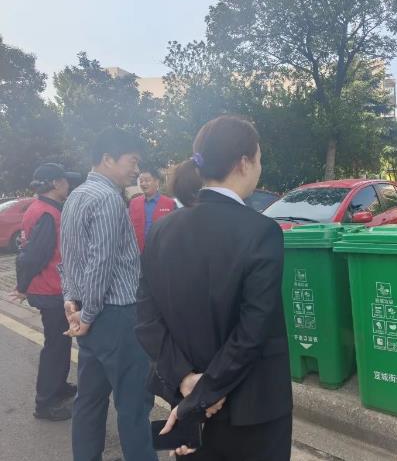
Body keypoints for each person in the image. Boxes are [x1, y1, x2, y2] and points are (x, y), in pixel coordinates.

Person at [135, 116, 293, 460]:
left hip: (187, 406)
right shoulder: (261, 231)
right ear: (244, 162)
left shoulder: (161, 231)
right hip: (252, 408)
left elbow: (146, 318)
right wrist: (207, 389)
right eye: (259, 158)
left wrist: (186, 380)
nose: (259, 167)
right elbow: (253, 329)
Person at [60, 128, 158, 461]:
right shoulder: (107, 199)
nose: (136, 170)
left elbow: (69, 256)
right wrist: (87, 315)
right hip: (116, 315)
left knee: (89, 400)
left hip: (88, 314)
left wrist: (71, 302)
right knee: (133, 405)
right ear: (107, 159)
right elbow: (100, 262)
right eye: (132, 161)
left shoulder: (75, 196)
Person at [11, 163, 81, 421]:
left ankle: (58, 387)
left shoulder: (43, 208)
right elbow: (35, 255)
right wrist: (22, 287)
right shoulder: (47, 213)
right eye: (65, 180)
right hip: (51, 290)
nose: (68, 185)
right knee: (55, 346)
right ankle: (45, 403)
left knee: (60, 343)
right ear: (54, 183)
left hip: (52, 287)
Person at [129, 167, 176, 252]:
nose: (143, 184)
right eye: (141, 181)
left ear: (157, 182)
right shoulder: (133, 203)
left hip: (161, 252)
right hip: (138, 252)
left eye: (147, 180)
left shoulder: (170, 203)